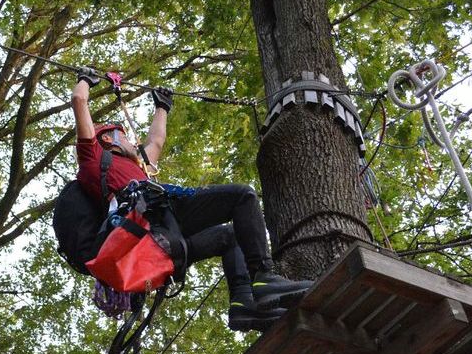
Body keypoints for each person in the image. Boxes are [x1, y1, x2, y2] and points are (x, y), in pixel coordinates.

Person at [71, 67, 312, 331]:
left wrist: (162, 107)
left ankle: (243, 306)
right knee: (242, 196)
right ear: (107, 138)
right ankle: (265, 278)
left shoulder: (139, 165)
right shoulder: (94, 159)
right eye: (125, 136)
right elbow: (79, 102)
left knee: (231, 236)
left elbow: (156, 142)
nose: (132, 140)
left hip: (167, 231)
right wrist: (85, 80)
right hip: (148, 220)